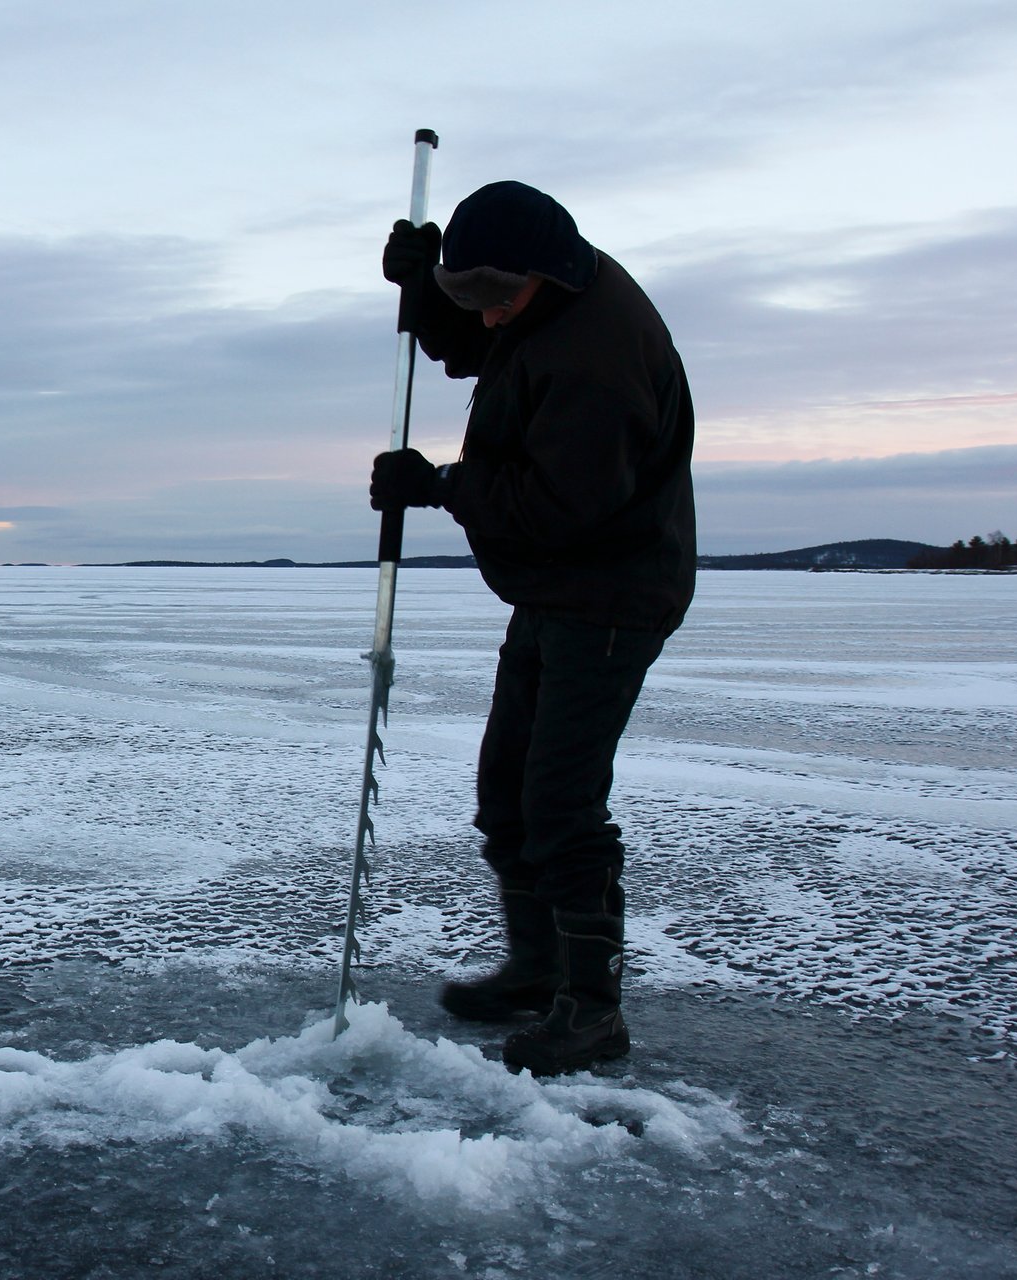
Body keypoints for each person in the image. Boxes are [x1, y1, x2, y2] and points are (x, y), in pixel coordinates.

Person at [369, 180, 695, 1076]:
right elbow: (484, 339)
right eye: (472, 296)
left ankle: (591, 1012)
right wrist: (424, 292)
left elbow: (559, 508)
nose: (486, 318)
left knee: (559, 803)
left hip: (612, 592)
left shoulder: (602, 358)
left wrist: (438, 486)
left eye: (494, 298)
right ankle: (539, 965)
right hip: (556, 592)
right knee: (507, 793)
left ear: (538, 275)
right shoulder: (543, 297)